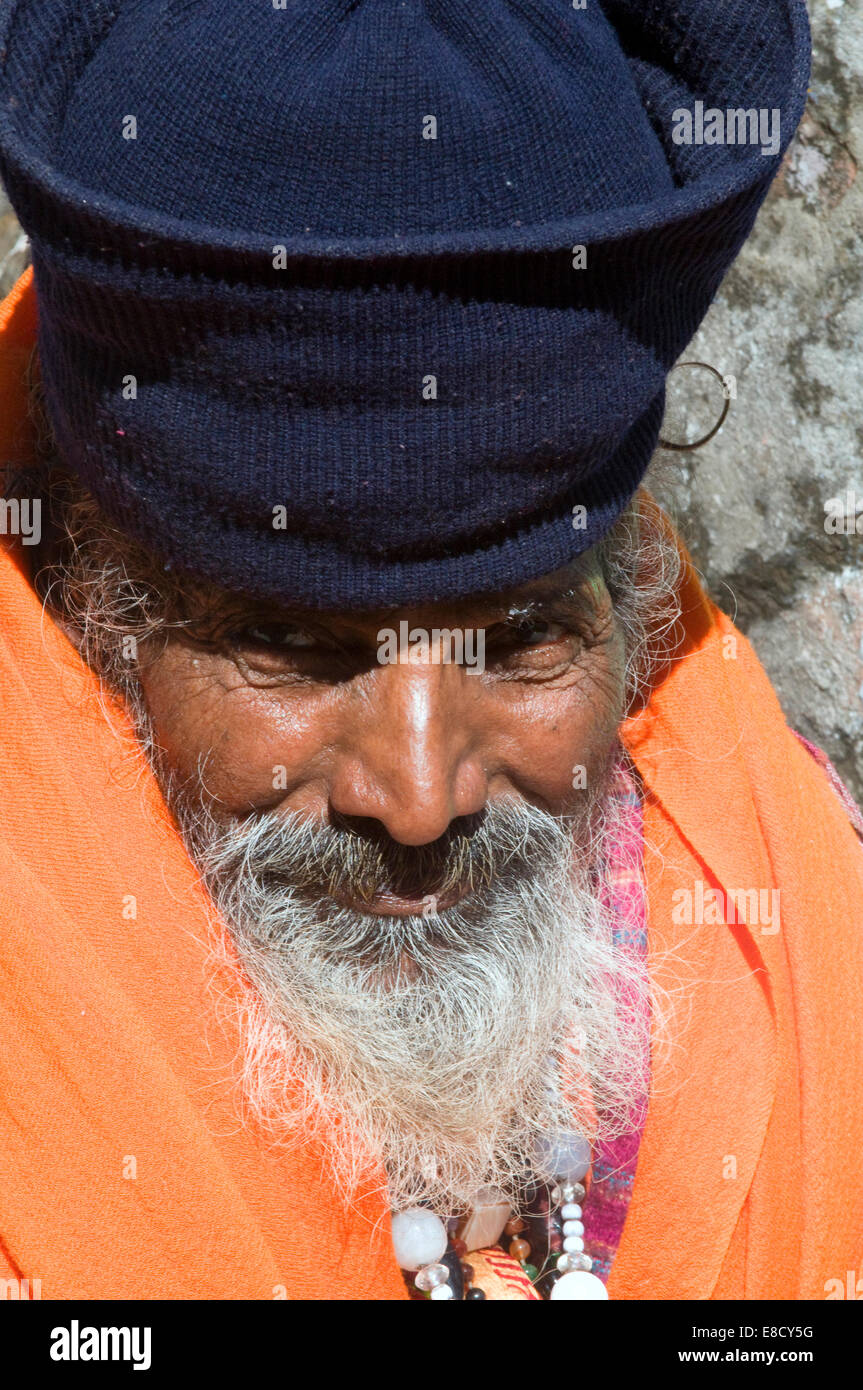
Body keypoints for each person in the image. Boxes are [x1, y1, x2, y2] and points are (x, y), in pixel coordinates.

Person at [0, 0, 860, 1302]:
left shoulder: (798, 920)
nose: (417, 797)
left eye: (521, 641)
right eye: (287, 647)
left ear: (627, 604)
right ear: (90, 584)